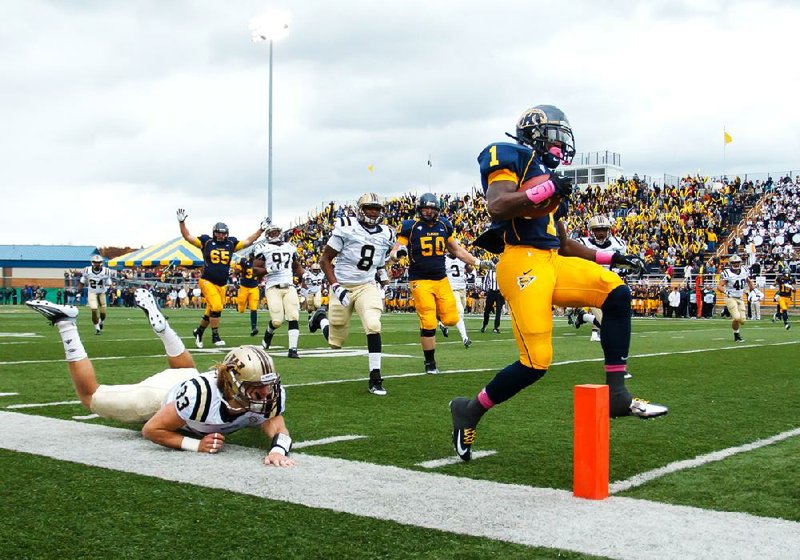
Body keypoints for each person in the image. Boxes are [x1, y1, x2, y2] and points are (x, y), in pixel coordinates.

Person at [450, 104, 667, 461]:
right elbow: (497, 206)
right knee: (536, 362)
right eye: (553, 134)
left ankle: (617, 396)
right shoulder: (509, 155)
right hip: (521, 261)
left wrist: (609, 258)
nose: (559, 143)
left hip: (552, 261)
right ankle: (470, 410)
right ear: (533, 133)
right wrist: (545, 188)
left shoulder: (547, 178)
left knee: (616, 291)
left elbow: (562, 243)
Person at [25, 291, 295, 466]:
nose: (265, 395)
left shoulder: (267, 396)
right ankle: (66, 323)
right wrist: (195, 444)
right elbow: (152, 429)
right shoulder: (199, 397)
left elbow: (280, 432)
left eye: (266, 386)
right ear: (234, 384)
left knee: (187, 369)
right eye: (256, 388)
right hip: (158, 397)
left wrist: (277, 452)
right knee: (90, 397)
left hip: (188, 378)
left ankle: (163, 328)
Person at [390, 193, 494, 374]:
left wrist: (477, 262)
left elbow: (456, 249)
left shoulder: (444, 225)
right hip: (420, 280)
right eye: (425, 208)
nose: (428, 212)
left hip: (441, 279)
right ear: (419, 209)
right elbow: (397, 248)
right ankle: (430, 363)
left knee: (452, 319)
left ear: (438, 210)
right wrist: (397, 254)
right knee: (428, 323)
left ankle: (435, 312)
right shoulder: (410, 227)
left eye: (432, 208)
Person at [309, 193, 396, 395]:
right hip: (343, 284)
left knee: (374, 324)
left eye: (376, 208)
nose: (373, 212)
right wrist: (336, 286)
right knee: (335, 342)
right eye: (369, 208)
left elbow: (380, 262)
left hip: (366, 285)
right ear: (360, 209)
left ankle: (375, 378)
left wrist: (384, 278)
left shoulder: (386, 233)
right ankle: (320, 318)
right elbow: (325, 260)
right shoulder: (346, 226)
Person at [178, 209, 266, 348]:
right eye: (218, 232)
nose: (220, 235)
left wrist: (260, 230)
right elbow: (188, 236)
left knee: (210, 310)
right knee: (217, 307)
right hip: (207, 281)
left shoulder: (230, 244)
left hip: (222, 284)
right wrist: (182, 222)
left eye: (223, 233)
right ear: (214, 233)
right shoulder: (206, 242)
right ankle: (215, 336)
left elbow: (248, 241)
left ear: (227, 234)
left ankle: (199, 332)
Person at [250, 224, 304, 359]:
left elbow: (296, 266)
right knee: (277, 321)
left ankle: (293, 349)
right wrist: (269, 270)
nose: (274, 235)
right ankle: (269, 333)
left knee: (293, 316)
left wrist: (304, 276)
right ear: (267, 235)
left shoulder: (290, 248)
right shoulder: (263, 248)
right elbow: (255, 271)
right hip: (273, 287)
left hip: (289, 286)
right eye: (271, 233)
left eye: (276, 232)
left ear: (280, 233)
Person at [573, 215, 628, 342]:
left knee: (614, 315)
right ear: (591, 231)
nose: (601, 233)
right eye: (597, 230)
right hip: (590, 282)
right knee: (607, 322)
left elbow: (622, 265)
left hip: (610, 282)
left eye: (603, 229)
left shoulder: (618, 243)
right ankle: (590, 324)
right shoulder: (582, 243)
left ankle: (584, 317)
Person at [439, 251, 474, 348]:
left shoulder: (461, 258)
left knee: (460, 310)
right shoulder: (444, 259)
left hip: (462, 289)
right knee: (460, 313)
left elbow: (470, 269)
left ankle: (443, 323)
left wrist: (468, 265)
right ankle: (465, 338)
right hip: (452, 289)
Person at [716, 254, 755, 342]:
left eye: (737, 262)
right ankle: (736, 335)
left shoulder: (744, 270)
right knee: (736, 317)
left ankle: (726, 311)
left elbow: (748, 281)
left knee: (743, 321)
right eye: (734, 262)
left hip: (739, 297)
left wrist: (754, 290)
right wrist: (726, 292)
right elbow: (719, 286)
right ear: (731, 263)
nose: (736, 264)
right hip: (730, 297)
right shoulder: (727, 273)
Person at [76, 255, 115, 335]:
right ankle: (97, 328)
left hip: (102, 292)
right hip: (92, 292)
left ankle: (101, 321)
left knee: (103, 313)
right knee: (94, 309)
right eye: (95, 262)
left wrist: (111, 288)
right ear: (92, 263)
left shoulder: (106, 271)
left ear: (101, 263)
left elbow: (109, 281)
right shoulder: (87, 271)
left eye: (98, 262)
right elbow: (82, 282)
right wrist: (79, 291)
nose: (97, 264)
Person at [234, 256, 261, 336]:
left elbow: (263, 274)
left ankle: (254, 328)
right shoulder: (244, 262)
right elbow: (235, 272)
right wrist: (235, 282)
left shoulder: (260, 263)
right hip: (244, 287)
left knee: (254, 308)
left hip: (254, 288)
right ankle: (237, 304)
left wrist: (262, 282)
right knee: (241, 310)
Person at [480, 268, 504, 334]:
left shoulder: (502, 271)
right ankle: (485, 325)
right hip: (491, 292)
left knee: (498, 310)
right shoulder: (489, 272)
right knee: (487, 310)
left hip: (500, 293)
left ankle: (496, 327)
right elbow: (486, 281)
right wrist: (484, 290)